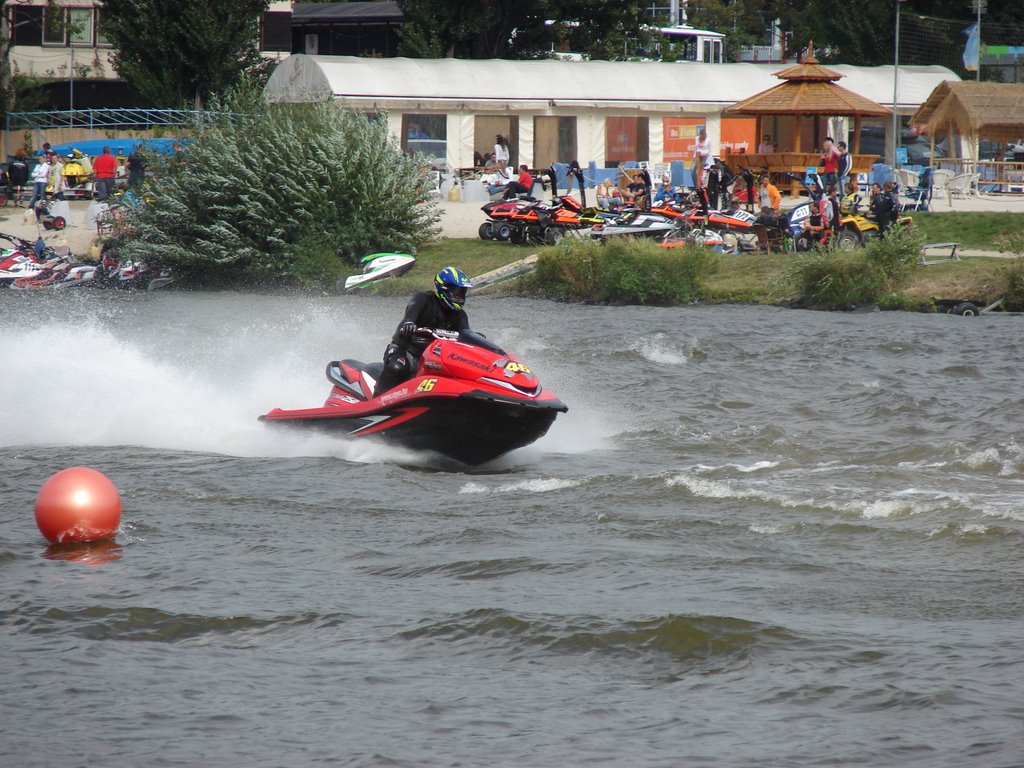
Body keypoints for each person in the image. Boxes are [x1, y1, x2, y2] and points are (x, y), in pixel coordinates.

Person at [373, 267, 473, 397]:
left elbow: (466, 335)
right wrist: (409, 323)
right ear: (443, 288)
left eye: (462, 291)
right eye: (455, 291)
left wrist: (474, 339)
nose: (459, 295)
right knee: (397, 367)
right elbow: (411, 313)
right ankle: (376, 399)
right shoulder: (423, 299)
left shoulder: (460, 315)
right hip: (406, 350)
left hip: (434, 358)